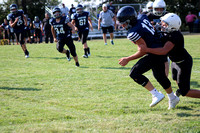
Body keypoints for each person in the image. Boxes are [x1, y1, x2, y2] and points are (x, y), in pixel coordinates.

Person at [117, 6, 179, 109]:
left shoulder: (133, 31)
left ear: (131, 20)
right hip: (159, 47)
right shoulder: (142, 17)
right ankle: (173, 98)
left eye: (124, 23)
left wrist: (128, 59)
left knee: (134, 73)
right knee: (160, 77)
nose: (123, 26)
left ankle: (156, 95)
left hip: (154, 52)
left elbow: (143, 50)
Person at [138, 13, 200, 99]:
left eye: (164, 24)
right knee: (175, 79)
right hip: (175, 62)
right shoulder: (169, 32)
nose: (162, 25)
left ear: (171, 26)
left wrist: (147, 50)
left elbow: (164, 50)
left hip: (183, 63)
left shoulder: (175, 35)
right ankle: (179, 90)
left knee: (185, 92)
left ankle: (181, 90)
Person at [145, 0, 169, 77]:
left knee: (165, 60)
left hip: (164, 39)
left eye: (161, 9)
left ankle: (165, 78)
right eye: (157, 9)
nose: (159, 11)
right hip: (153, 40)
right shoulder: (149, 16)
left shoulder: (168, 15)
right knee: (153, 59)